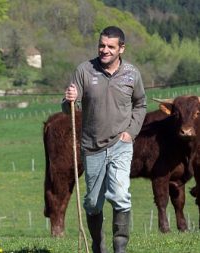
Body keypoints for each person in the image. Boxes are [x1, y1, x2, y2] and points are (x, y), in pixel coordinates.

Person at [61, 26, 146, 253]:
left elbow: (141, 104)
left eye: (110, 46)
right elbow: (67, 108)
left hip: (121, 144)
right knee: (92, 204)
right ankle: (98, 245)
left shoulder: (131, 74)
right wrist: (69, 99)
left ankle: (120, 248)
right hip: (92, 147)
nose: (104, 50)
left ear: (121, 49)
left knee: (120, 195)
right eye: (102, 45)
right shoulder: (84, 71)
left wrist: (131, 132)